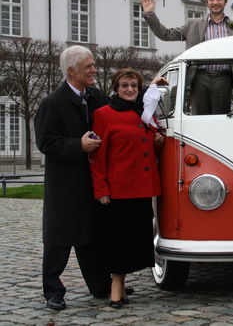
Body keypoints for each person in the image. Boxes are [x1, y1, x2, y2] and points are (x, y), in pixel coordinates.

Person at [34, 45, 111, 310]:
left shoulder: (96, 96)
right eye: (88, 66)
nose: (93, 70)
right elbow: (46, 143)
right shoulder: (51, 104)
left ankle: (100, 286)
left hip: (92, 180)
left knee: (91, 236)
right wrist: (77, 145)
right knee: (59, 240)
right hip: (65, 184)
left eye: (93, 65)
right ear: (71, 70)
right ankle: (53, 291)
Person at [90, 68, 164, 308]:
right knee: (118, 242)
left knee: (134, 242)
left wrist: (157, 143)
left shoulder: (144, 114)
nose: (130, 89)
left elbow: (147, 150)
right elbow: (97, 156)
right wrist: (100, 188)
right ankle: (115, 288)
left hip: (142, 188)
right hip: (118, 190)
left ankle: (121, 286)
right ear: (116, 88)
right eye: (125, 85)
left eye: (134, 85)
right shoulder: (104, 114)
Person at [141, 0, 233, 114]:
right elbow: (165, 34)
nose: (215, 2)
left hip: (224, 79)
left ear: (225, 1)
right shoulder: (193, 24)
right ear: (207, 2)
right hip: (199, 78)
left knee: (221, 118)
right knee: (198, 119)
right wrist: (150, 14)